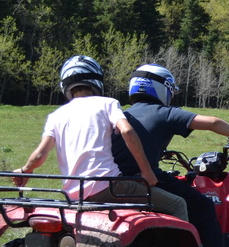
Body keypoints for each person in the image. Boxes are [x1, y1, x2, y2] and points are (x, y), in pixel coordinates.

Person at [111, 64, 229, 247]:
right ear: (162, 89)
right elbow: (214, 122)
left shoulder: (122, 115)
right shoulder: (164, 113)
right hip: (146, 179)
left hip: (114, 181)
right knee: (203, 206)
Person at [12, 55, 187, 220]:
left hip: (73, 193)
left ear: (65, 85)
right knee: (178, 204)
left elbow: (40, 155)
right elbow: (127, 131)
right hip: (109, 187)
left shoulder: (57, 115)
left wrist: (26, 169)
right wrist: (146, 171)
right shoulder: (107, 104)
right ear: (96, 81)